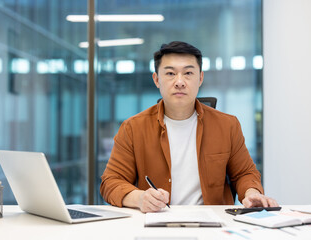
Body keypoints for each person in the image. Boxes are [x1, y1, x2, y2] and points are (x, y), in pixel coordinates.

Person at [100, 41, 278, 213]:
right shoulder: (133, 128)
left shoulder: (227, 125)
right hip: (156, 224)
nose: (179, 82)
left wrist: (252, 194)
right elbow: (111, 182)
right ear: (156, 79)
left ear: (200, 78)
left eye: (188, 73)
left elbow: (244, 173)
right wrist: (139, 198)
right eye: (170, 73)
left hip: (212, 226)